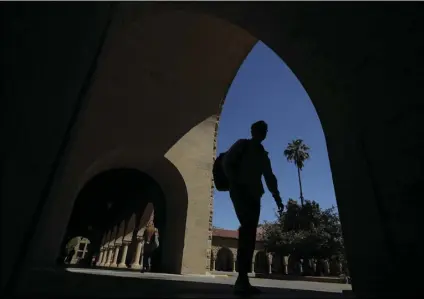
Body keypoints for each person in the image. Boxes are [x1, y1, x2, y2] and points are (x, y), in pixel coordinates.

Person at [223, 120, 284, 295]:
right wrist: (236, 183)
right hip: (241, 192)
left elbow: (269, 177)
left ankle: (243, 279)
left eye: (264, 130)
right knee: (247, 228)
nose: (262, 133)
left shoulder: (263, 154)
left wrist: (277, 197)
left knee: (249, 233)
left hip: (255, 195)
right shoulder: (242, 145)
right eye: (259, 129)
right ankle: (242, 279)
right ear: (252, 131)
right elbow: (227, 162)